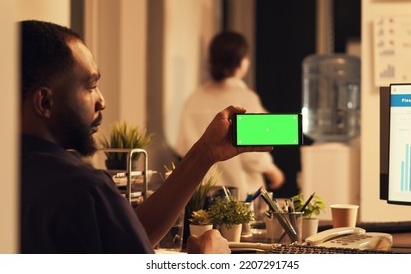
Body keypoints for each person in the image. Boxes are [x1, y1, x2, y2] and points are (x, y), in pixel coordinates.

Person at [19, 20, 273, 254]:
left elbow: (123, 242)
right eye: (90, 86)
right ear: (45, 102)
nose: (102, 101)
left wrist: (205, 153)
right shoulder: (84, 190)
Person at [174, 31, 284, 201]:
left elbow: (182, 148)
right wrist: (273, 171)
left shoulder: (194, 98)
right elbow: (253, 153)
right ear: (242, 61)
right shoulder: (246, 98)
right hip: (240, 196)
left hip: (200, 196)